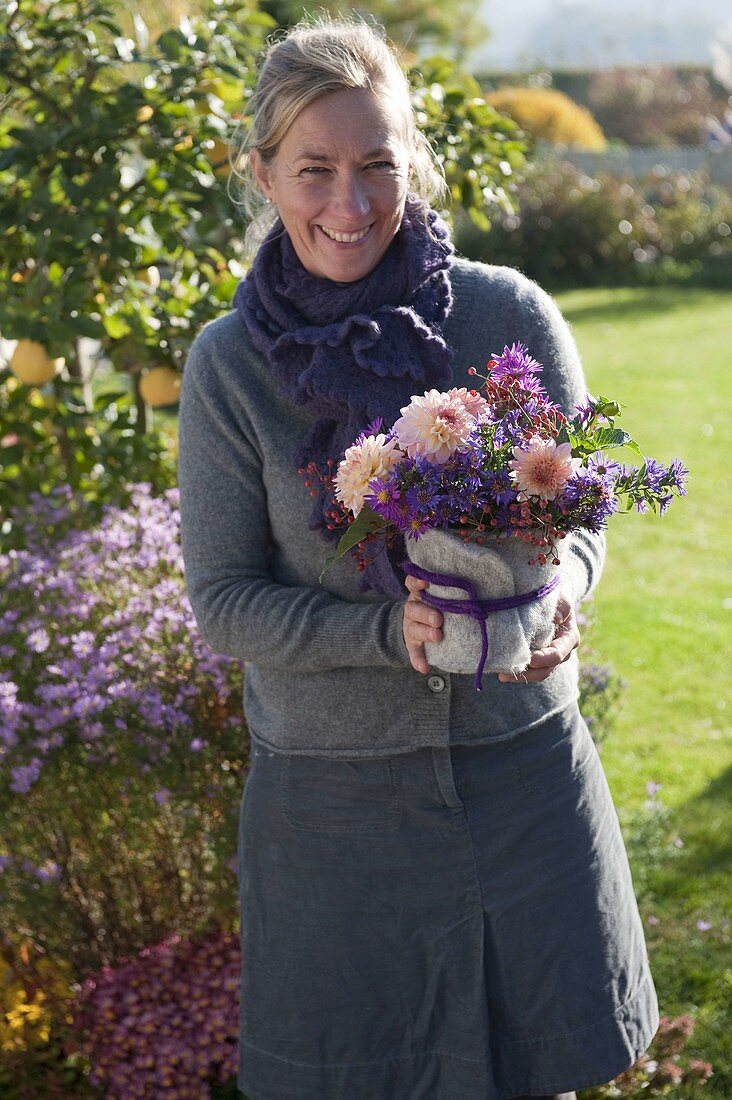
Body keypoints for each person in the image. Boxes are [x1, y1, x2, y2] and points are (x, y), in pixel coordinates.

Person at [177, 17, 659, 1100]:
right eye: (315, 170)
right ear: (261, 173)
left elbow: (578, 516)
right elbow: (225, 602)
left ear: (413, 161)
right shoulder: (227, 367)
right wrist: (388, 633)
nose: (349, 204)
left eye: (376, 166)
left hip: (519, 774)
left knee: (542, 1076)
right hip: (333, 814)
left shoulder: (507, 315)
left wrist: (567, 594)